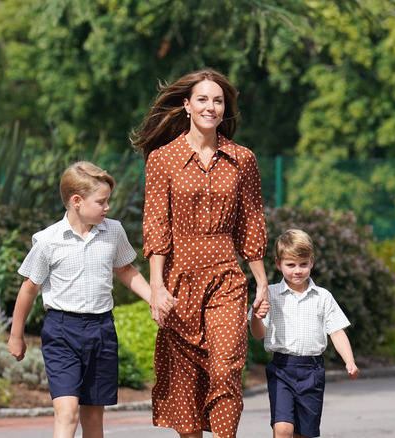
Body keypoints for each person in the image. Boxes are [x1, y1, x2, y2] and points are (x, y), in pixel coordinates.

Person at [131, 68, 269, 438]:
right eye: (203, 99)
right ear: (187, 105)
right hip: (179, 280)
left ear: (226, 109)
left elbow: (251, 224)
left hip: (227, 276)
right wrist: (156, 288)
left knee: (225, 368)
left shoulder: (243, 159)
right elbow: (156, 225)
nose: (211, 107)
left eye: (218, 100)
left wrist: (262, 284)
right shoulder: (162, 159)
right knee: (185, 381)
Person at [7, 161, 168, 438]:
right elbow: (29, 289)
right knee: (67, 414)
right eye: (101, 202)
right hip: (61, 332)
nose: (107, 208)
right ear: (77, 201)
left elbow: (126, 270)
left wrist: (154, 298)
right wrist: (16, 335)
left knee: (93, 419)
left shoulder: (113, 231)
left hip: (101, 331)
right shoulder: (48, 241)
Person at [249, 229, 359, 438]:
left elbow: (336, 331)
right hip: (281, 369)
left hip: (312, 371)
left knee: (304, 433)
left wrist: (349, 361)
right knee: (282, 428)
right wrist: (256, 316)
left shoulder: (323, 297)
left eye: (303, 264)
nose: (297, 270)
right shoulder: (269, 294)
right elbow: (258, 334)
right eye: (290, 265)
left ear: (312, 262)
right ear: (278, 263)